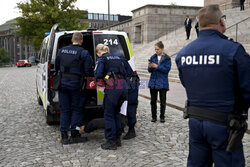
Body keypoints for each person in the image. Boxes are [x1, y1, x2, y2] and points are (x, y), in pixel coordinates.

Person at [175, 4, 250, 167]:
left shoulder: (183, 54)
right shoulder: (233, 50)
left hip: (196, 122)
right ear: (221, 22)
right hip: (225, 124)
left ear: (199, 25)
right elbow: (247, 90)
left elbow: (186, 83)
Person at [55, 32, 93, 145]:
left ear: (72, 40)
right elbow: (88, 72)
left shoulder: (61, 51)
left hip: (63, 84)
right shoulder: (84, 53)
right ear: (81, 41)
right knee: (77, 109)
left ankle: (64, 136)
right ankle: (75, 135)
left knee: (65, 110)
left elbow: (57, 67)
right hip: (77, 85)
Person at [94, 44, 132, 150]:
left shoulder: (102, 59)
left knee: (109, 114)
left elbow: (97, 74)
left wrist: (107, 77)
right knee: (116, 113)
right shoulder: (120, 56)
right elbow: (129, 71)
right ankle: (117, 139)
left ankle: (111, 141)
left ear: (99, 52)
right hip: (123, 86)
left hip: (113, 86)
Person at [148, 41, 171, 123]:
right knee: (153, 101)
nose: (156, 51)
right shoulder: (152, 57)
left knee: (163, 101)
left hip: (162, 82)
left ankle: (162, 116)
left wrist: (157, 66)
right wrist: (150, 66)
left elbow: (166, 70)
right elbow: (149, 70)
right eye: (155, 49)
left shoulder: (167, 58)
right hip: (153, 82)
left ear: (162, 49)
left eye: (158, 49)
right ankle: (154, 117)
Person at [123, 71, 140, 140]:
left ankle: (131, 129)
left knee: (130, 106)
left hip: (130, 81)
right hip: (129, 80)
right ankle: (126, 127)